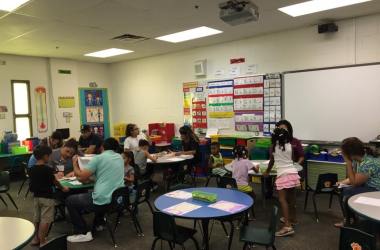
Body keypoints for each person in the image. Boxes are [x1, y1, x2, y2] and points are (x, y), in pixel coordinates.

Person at [66, 138, 124, 243]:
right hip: (118, 200)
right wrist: (92, 178)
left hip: (104, 201)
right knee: (97, 193)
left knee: (70, 200)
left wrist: (74, 163)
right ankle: (99, 223)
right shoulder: (119, 157)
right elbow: (106, 174)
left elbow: (82, 176)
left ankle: (83, 232)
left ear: (102, 147)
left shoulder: (98, 158)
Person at [334, 137, 380, 227]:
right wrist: (341, 182)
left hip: (376, 190)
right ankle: (351, 219)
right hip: (368, 184)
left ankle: (349, 221)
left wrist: (348, 163)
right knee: (341, 188)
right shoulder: (360, 158)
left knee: (347, 192)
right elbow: (355, 177)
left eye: (343, 153)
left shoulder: (368, 163)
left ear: (349, 153)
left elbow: (354, 182)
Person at [29, 145, 69, 246]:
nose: (50, 158)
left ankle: (35, 239)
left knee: (37, 218)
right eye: (50, 156)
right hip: (47, 198)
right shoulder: (47, 169)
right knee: (46, 220)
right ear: (45, 156)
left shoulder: (32, 169)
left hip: (36, 197)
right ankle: (43, 241)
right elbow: (55, 182)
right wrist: (63, 188)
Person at [265, 128, 301, 237]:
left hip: (283, 175)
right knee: (291, 199)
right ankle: (292, 219)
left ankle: (287, 226)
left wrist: (267, 171)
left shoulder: (274, 148)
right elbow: (292, 160)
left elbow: (272, 161)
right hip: (293, 174)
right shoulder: (290, 146)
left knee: (282, 200)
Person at [265, 120, 305, 198]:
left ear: (289, 130)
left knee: (286, 198)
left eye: (283, 128)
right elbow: (272, 157)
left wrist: (296, 165)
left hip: (290, 168)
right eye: (279, 129)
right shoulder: (275, 143)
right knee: (267, 176)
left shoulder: (295, 141)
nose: (281, 131)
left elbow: (302, 156)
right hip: (279, 166)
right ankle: (269, 194)